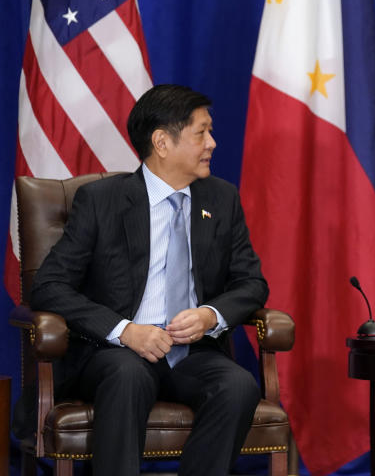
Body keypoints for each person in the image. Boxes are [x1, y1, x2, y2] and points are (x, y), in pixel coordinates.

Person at [30, 84, 269, 476]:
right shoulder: (102, 200)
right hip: (117, 354)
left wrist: (210, 315)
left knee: (239, 386)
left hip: (193, 354)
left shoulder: (221, 199)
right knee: (127, 375)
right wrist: (125, 331)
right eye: (201, 132)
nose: (212, 142)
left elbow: (251, 283)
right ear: (161, 141)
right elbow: (50, 286)